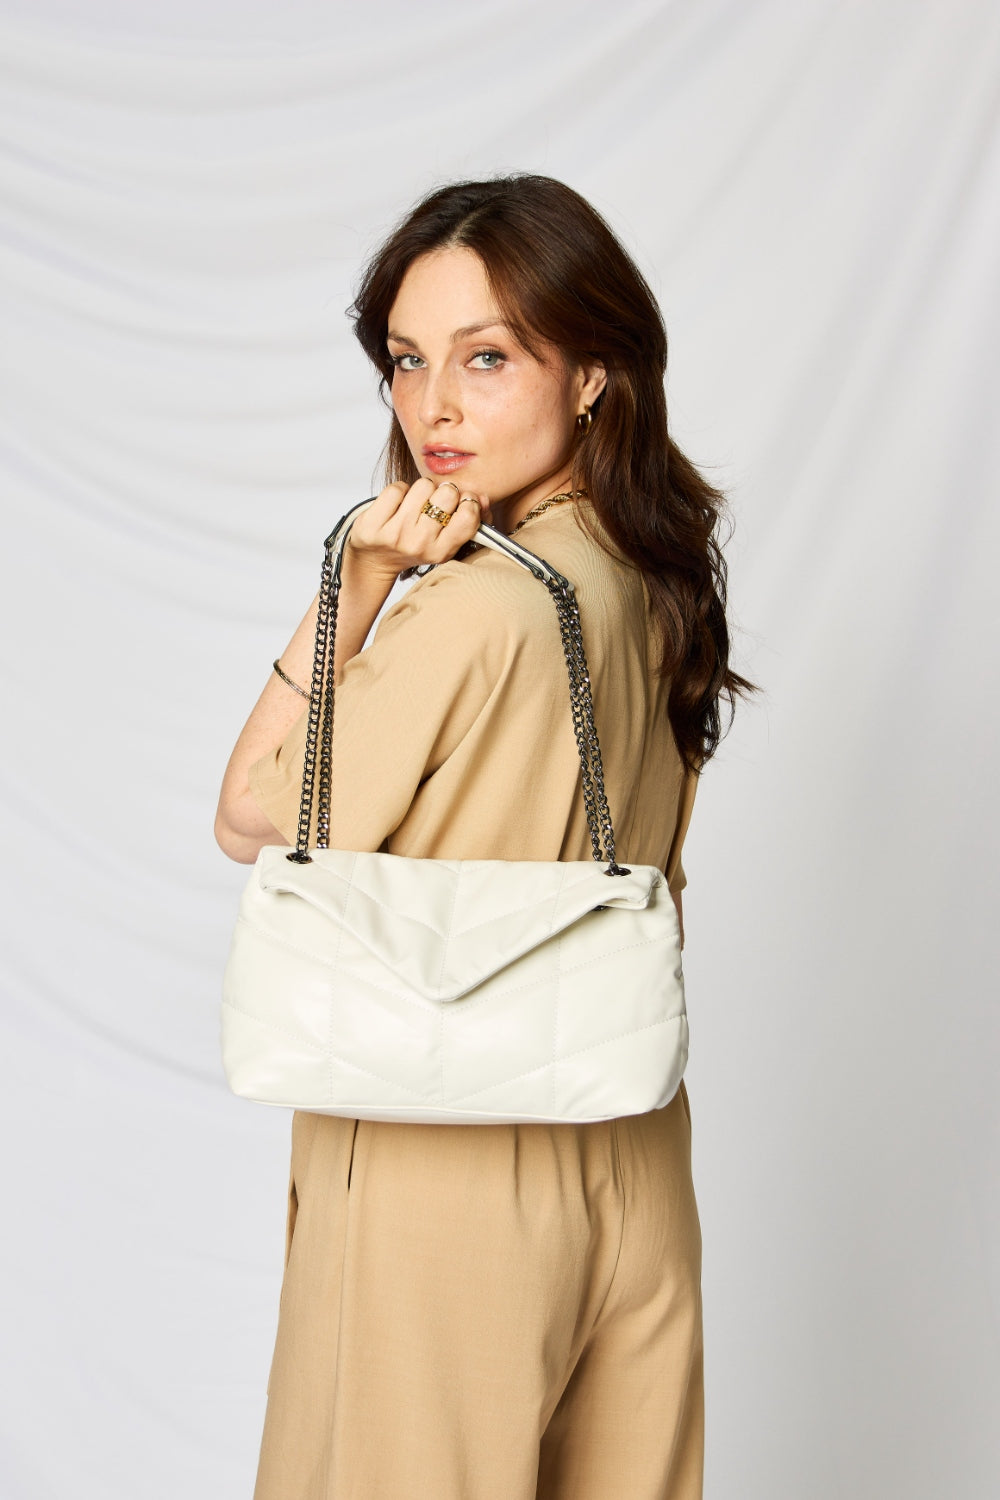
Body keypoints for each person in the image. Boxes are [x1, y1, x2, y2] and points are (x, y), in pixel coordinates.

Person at [216, 173, 752, 1500]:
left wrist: (354, 590)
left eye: (488, 356)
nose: (434, 408)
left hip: (444, 1169)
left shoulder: (476, 611)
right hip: (627, 1152)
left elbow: (247, 814)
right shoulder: (653, 584)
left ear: (593, 375)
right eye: (408, 361)